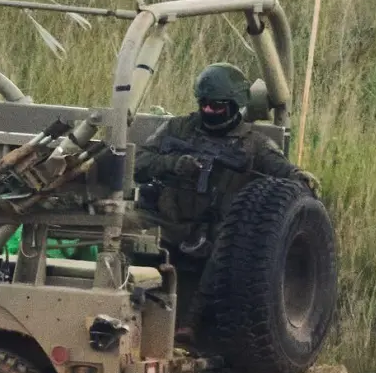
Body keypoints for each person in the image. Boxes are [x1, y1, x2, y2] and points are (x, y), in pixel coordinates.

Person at [134, 62, 319, 331]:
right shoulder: (177, 129)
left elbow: (286, 175)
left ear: (234, 105)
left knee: (229, 255)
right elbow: (139, 161)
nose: (209, 111)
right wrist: (174, 164)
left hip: (218, 231)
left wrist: (303, 180)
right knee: (125, 225)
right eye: (204, 104)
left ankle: (188, 326)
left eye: (217, 107)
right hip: (168, 221)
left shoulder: (253, 144)